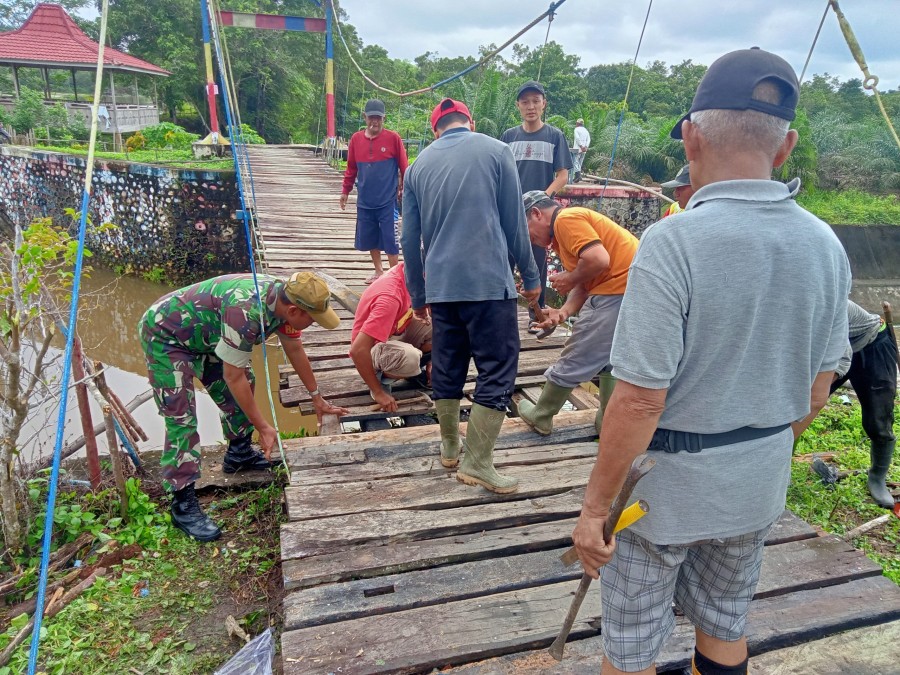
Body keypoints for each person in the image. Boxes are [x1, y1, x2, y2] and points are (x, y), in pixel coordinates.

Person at [571, 48, 851, 675]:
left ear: (691, 138)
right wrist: (751, 445)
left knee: (634, 643)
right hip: (755, 488)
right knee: (726, 622)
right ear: (786, 147)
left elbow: (640, 397)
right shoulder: (825, 244)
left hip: (657, 497)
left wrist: (594, 511)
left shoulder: (673, 241)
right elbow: (817, 390)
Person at [139, 272, 349, 542]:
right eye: (312, 319)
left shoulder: (286, 304)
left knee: (246, 382)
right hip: (166, 336)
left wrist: (317, 397)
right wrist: (263, 426)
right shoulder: (246, 313)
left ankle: (238, 454)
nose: (313, 324)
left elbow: (295, 349)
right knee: (182, 419)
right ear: (295, 310)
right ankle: (183, 502)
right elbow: (232, 376)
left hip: (207, 333)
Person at [402, 98, 540, 493]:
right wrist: (531, 277)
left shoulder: (417, 168)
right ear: (470, 122)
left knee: (448, 362)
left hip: (442, 288)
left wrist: (417, 293)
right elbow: (515, 221)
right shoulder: (497, 151)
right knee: (498, 366)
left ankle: (449, 446)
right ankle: (477, 462)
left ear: (435, 130)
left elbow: (409, 239)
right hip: (487, 284)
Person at [519, 190, 637, 436]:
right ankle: (607, 421)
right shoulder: (565, 234)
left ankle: (542, 415)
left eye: (526, 229)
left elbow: (598, 260)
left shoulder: (565, 220)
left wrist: (569, 278)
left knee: (577, 353)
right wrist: (562, 313)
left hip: (617, 292)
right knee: (611, 360)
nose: (529, 238)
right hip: (631, 292)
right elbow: (586, 284)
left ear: (536, 214)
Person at [501, 81, 572, 330]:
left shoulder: (554, 136)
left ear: (544, 104)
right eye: (525, 102)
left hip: (538, 215)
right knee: (504, 263)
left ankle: (537, 316)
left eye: (535, 101)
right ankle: (504, 316)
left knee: (537, 263)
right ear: (518, 106)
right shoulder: (509, 137)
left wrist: (543, 196)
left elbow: (563, 175)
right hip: (510, 212)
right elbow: (500, 174)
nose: (530, 106)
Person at [827, 301, 896, 507]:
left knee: (878, 419)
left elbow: (843, 355)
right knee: (798, 408)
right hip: (839, 344)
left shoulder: (823, 302)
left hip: (873, 344)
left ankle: (877, 477)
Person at [340, 99, 409, 284]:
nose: (375, 122)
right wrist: (345, 191)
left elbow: (404, 167)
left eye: (378, 118)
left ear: (383, 118)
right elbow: (351, 168)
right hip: (365, 200)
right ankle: (379, 271)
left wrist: (407, 188)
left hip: (388, 201)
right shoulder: (355, 139)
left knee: (391, 240)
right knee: (370, 238)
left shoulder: (393, 138)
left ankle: (394, 277)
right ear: (365, 117)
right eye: (371, 118)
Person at [349, 262, 433, 412]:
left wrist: (433, 362)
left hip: (394, 332)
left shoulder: (409, 270)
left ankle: (414, 370)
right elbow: (357, 350)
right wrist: (378, 393)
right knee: (411, 358)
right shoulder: (390, 297)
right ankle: (380, 378)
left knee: (444, 328)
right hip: (370, 349)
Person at [571, 118, 591, 183]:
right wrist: (586, 147)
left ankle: (577, 176)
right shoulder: (586, 131)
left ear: (577, 123)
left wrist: (581, 146)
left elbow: (577, 138)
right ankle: (578, 176)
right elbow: (589, 139)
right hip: (584, 149)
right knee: (580, 162)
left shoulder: (576, 129)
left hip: (578, 148)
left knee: (575, 162)